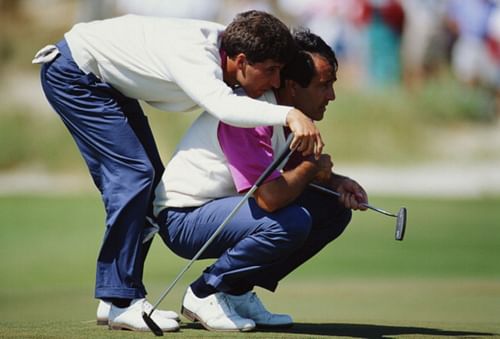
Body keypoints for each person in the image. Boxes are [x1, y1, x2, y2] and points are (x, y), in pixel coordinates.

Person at [33, 10, 324, 332]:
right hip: (75, 73)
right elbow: (225, 107)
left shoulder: (231, 49)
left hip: (104, 81)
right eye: (270, 71)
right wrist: (290, 115)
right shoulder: (197, 58)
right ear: (240, 62)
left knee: (144, 182)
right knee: (133, 178)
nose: (275, 81)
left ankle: (115, 298)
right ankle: (120, 300)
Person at [153, 28, 368, 332]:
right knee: (289, 221)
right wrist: (311, 167)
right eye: (324, 85)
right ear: (292, 87)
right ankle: (205, 292)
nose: (331, 95)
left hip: (225, 211)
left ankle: (236, 292)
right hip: (184, 217)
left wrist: (335, 183)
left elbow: (294, 175)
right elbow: (270, 198)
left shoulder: (290, 118)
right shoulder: (253, 114)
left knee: (332, 208)